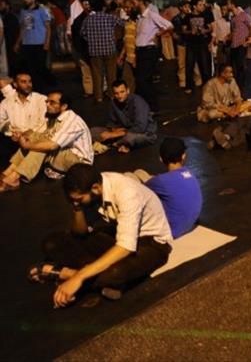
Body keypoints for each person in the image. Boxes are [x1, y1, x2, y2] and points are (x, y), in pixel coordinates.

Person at [28, 164, 172, 305]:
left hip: (152, 245)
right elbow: (80, 233)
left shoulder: (127, 193)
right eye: (72, 200)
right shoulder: (92, 190)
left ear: (96, 188)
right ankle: (98, 278)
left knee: (114, 273)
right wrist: (77, 208)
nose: (75, 202)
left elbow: (125, 247)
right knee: (51, 243)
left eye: (79, 199)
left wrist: (77, 277)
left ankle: (65, 273)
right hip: (119, 235)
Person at [1, 90, 93, 190]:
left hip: (79, 162)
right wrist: (21, 135)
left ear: (64, 106)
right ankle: (8, 172)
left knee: (43, 146)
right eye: (47, 101)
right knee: (35, 138)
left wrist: (27, 145)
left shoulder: (72, 120)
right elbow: (36, 132)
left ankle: (14, 178)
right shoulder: (54, 116)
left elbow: (52, 145)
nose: (47, 105)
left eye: (52, 103)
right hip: (62, 154)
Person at [141, 138, 202, 238]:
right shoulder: (190, 174)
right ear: (183, 156)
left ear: (161, 159)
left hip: (170, 230)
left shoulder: (161, 181)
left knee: (135, 176)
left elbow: (141, 190)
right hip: (189, 225)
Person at [91, 80, 157, 154]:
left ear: (127, 91)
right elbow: (112, 122)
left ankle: (117, 143)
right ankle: (120, 143)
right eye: (116, 93)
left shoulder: (138, 102)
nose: (119, 96)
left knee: (130, 138)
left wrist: (115, 134)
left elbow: (140, 127)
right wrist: (113, 131)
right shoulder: (113, 103)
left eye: (122, 92)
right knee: (93, 131)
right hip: (123, 130)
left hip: (143, 133)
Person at [133, 0, 173, 112]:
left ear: (140, 2)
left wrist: (158, 34)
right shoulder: (139, 18)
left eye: (133, 2)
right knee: (143, 80)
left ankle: (153, 106)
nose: (132, 6)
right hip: (140, 51)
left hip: (149, 51)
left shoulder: (151, 15)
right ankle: (146, 106)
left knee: (142, 80)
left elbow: (169, 25)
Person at [0, 72, 47, 166]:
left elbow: (45, 122)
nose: (28, 85)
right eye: (23, 82)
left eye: (30, 81)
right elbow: (1, 121)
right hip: (13, 140)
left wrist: (31, 131)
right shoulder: (6, 102)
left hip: (34, 138)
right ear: (15, 84)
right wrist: (11, 131)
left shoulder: (41, 99)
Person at [80, 1, 122, 103]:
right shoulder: (110, 17)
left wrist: (91, 40)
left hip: (94, 51)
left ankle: (98, 96)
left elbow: (82, 33)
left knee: (97, 74)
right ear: (104, 8)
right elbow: (122, 23)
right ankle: (112, 95)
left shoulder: (88, 19)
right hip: (109, 49)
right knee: (111, 74)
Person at [16, 0, 54, 92]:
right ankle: (34, 89)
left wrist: (47, 43)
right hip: (27, 43)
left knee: (40, 67)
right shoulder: (23, 11)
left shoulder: (41, 10)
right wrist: (18, 42)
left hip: (39, 43)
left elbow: (48, 27)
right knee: (30, 68)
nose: (25, 0)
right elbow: (22, 28)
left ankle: (44, 88)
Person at [183, 0, 214, 95]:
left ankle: (207, 86)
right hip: (191, 44)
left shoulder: (206, 15)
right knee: (189, 66)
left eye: (202, 5)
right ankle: (189, 86)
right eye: (200, 5)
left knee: (205, 66)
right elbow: (183, 30)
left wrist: (205, 30)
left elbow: (211, 28)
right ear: (194, 6)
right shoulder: (187, 17)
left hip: (203, 44)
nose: (202, 6)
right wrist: (190, 32)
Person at [226, 0, 251, 87]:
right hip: (234, 45)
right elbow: (233, 31)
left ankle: (241, 85)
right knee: (235, 66)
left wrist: (247, 40)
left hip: (242, 45)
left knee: (241, 66)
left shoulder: (244, 15)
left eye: (228, 4)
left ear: (233, 4)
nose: (227, 6)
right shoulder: (232, 18)